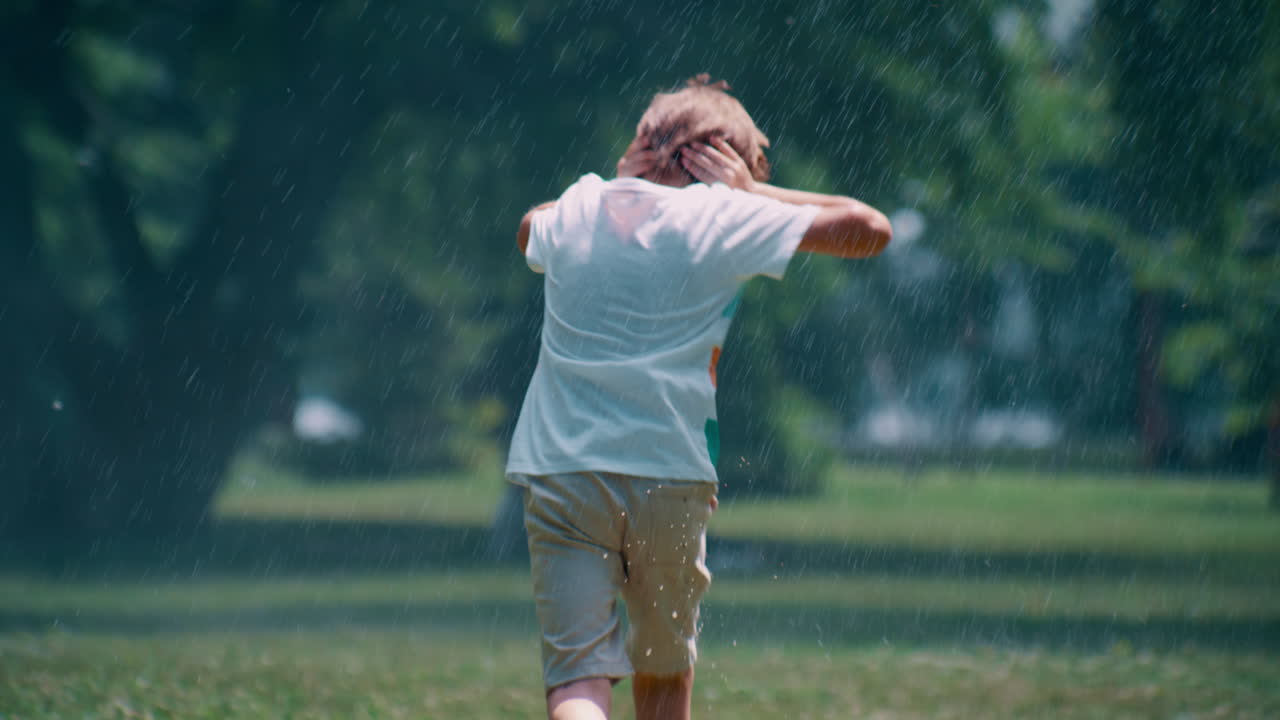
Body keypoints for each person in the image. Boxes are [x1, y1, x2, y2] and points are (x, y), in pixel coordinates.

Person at [506, 75, 891, 720]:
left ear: (644, 142)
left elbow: (528, 231)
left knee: (577, 679)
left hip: (563, 471)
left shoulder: (579, 204)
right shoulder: (724, 217)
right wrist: (753, 194)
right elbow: (870, 228)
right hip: (668, 476)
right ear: (723, 162)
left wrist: (623, 181)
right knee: (664, 676)